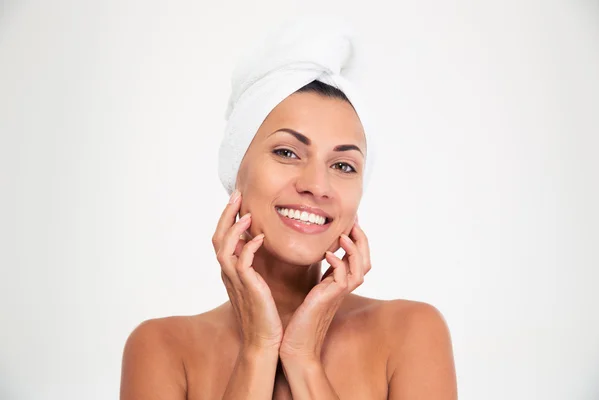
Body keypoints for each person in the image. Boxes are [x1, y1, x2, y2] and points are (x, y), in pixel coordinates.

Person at [120, 17, 457, 400]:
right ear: (236, 171)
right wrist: (258, 349)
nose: (317, 185)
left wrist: (302, 357)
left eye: (343, 165)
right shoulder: (162, 348)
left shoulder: (411, 332)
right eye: (286, 152)